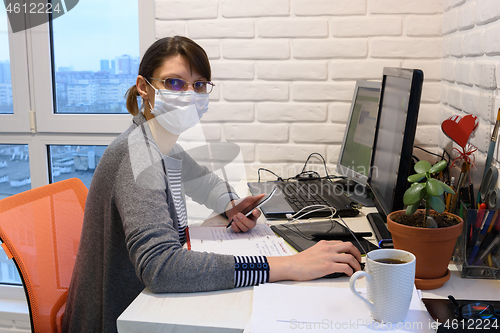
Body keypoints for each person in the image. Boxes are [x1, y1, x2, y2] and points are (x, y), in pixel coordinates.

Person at [62, 36, 362, 333]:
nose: (189, 95)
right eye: (174, 83)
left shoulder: (162, 145)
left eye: (199, 85)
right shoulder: (136, 153)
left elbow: (206, 184)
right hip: (118, 317)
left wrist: (231, 205)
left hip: (144, 306)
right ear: (144, 87)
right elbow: (161, 267)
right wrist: (286, 267)